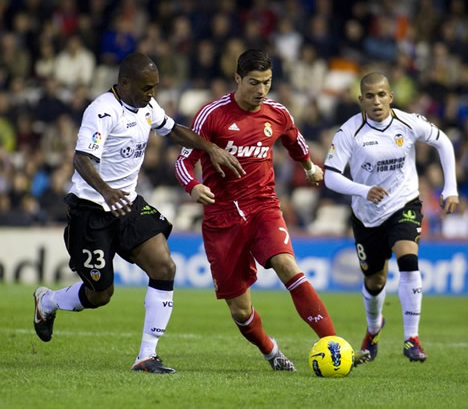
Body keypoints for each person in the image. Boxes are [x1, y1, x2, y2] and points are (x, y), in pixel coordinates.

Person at [33, 53, 244, 374]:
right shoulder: (102, 111)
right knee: (100, 294)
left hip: (128, 204)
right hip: (91, 209)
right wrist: (106, 190)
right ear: (126, 83)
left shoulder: (146, 106)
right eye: (147, 88)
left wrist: (209, 147)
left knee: (164, 266)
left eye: (155, 87)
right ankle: (48, 301)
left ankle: (147, 355)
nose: (152, 94)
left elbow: (172, 130)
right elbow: (81, 159)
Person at [175, 49, 369, 371]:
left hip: (263, 206)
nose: (261, 90)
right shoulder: (211, 115)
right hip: (222, 218)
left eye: (266, 82)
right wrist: (193, 186)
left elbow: (295, 141)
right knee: (240, 310)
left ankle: (334, 344)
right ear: (238, 79)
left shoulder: (277, 113)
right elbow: (183, 160)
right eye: (253, 82)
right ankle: (270, 351)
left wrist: (309, 167)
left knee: (286, 264)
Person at [323, 72, 459, 362]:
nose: (377, 101)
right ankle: (374, 329)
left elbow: (443, 142)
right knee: (375, 281)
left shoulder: (408, 122)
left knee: (408, 260)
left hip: (404, 203)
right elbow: (331, 177)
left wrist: (451, 188)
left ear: (391, 96)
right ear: (361, 100)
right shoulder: (349, 132)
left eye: (382, 94)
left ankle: (412, 339)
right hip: (367, 216)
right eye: (370, 96)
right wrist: (363, 190)